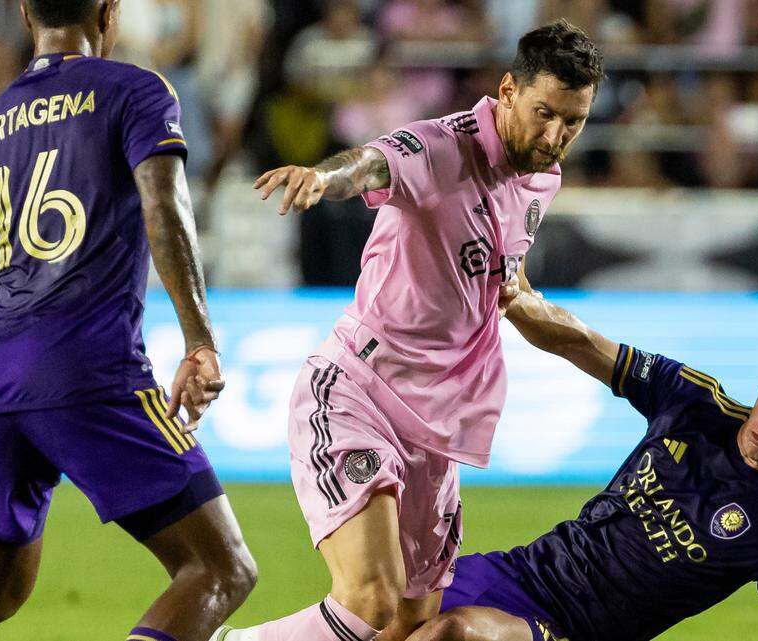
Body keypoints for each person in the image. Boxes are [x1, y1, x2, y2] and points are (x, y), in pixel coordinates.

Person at [0, 2, 256, 640]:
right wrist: (199, 340)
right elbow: (164, 204)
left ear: (25, 15)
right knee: (220, 568)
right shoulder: (134, 91)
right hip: (91, 371)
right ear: (108, 12)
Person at [216, 19, 603, 641]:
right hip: (359, 392)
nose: (555, 134)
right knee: (369, 600)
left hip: (436, 431)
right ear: (507, 90)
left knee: (407, 624)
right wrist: (324, 178)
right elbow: (371, 164)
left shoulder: (541, 179)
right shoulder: (442, 146)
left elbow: (507, 269)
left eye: (573, 121)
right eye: (544, 112)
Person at [407, 280, 758, 641]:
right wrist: (513, 297)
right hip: (527, 570)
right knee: (389, 611)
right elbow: (580, 343)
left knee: (456, 633)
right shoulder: (693, 401)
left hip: (578, 631)